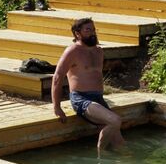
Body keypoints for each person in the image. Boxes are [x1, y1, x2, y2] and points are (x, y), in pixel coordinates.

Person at [52, 18, 124, 150]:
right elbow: (57, 77)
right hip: (81, 98)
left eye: (93, 29)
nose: (92, 33)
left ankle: (108, 161)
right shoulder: (72, 51)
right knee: (115, 120)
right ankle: (100, 157)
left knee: (120, 145)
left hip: (98, 99)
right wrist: (57, 106)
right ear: (77, 34)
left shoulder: (98, 51)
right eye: (88, 30)